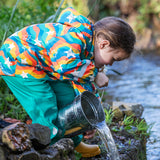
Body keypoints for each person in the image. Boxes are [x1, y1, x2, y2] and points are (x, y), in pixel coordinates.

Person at [0, 7, 136, 157]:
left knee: (69, 98)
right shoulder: (75, 38)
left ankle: (75, 142)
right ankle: (47, 146)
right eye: (114, 59)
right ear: (103, 44)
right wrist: (96, 74)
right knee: (45, 102)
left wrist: (90, 119)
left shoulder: (89, 50)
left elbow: (82, 85)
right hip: (17, 63)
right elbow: (65, 66)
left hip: (43, 68)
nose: (110, 65)